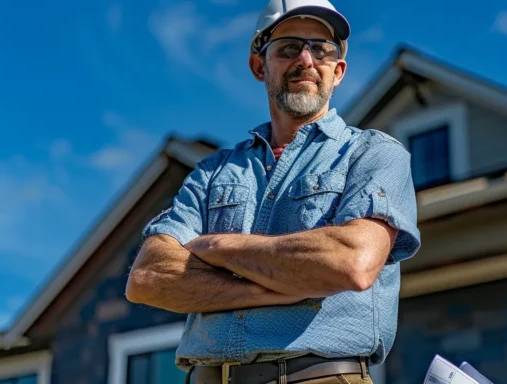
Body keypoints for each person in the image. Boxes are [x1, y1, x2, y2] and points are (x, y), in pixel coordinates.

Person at [125, 0, 421, 382]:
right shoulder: (212, 172)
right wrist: (280, 289)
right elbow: (149, 277)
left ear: (339, 71)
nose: (306, 59)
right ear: (259, 66)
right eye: (288, 48)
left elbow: (352, 262)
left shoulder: (374, 154)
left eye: (322, 49)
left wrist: (216, 248)